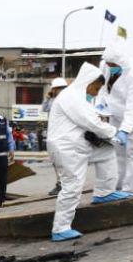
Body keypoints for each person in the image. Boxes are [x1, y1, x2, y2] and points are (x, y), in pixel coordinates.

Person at [47, 63, 127, 242]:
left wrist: (109, 135)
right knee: (72, 186)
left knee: (106, 151)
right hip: (67, 149)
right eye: (96, 88)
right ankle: (60, 228)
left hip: (78, 146)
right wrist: (115, 133)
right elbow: (91, 122)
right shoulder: (71, 97)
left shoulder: (79, 98)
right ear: (88, 82)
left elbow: (93, 120)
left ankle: (104, 192)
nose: (96, 93)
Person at [100, 39, 133, 195]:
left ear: (121, 61)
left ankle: (129, 190)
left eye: (112, 64)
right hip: (116, 112)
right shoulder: (106, 64)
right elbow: (101, 88)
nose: (109, 66)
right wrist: (100, 105)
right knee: (117, 152)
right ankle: (116, 187)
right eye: (108, 63)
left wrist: (125, 130)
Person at [42, 77, 67, 196]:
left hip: (62, 133)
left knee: (62, 160)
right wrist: (47, 98)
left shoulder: (66, 100)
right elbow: (44, 109)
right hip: (54, 132)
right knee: (56, 161)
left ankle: (63, 184)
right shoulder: (52, 100)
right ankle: (60, 183)